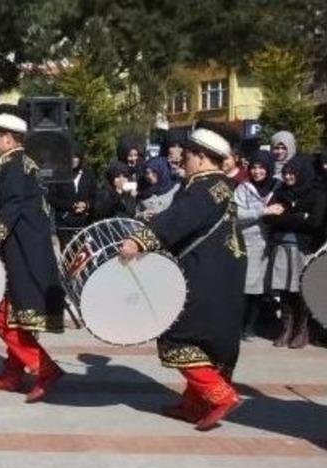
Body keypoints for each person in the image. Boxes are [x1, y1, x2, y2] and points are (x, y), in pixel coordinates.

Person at [119, 125, 246, 431]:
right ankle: (193, 405)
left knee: (178, 337)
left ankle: (220, 396)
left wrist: (140, 240)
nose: (181, 160)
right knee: (209, 342)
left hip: (203, 274)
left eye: (187, 155)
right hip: (224, 274)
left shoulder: (201, 187)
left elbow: (180, 219)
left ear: (202, 158)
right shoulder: (223, 185)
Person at [0, 105, 65, 403]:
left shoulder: (13, 165)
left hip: (23, 255)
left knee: (0, 314)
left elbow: (11, 206)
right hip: (28, 251)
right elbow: (18, 207)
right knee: (12, 317)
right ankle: (12, 374)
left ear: (9, 139)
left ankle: (44, 369)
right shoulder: (24, 163)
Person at [262, 155, 327, 349]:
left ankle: (302, 329)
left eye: (293, 173)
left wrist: (285, 216)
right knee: (284, 289)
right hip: (281, 246)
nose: (289, 177)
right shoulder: (281, 192)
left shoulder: (317, 193)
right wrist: (299, 217)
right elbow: (268, 218)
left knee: (301, 288)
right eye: (286, 173)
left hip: (304, 248)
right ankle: (286, 327)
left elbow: (314, 223)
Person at [234, 151, 274, 339]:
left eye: (262, 167)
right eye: (254, 168)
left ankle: (252, 325)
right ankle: (242, 326)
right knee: (247, 287)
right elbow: (237, 215)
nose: (257, 171)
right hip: (249, 243)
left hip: (271, 244)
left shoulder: (277, 187)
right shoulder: (243, 188)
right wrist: (262, 211)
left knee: (262, 288)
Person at [51, 146, 93, 249]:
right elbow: (52, 198)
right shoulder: (58, 175)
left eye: (75, 157)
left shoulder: (88, 175)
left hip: (83, 222)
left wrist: (86, 205)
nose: (73, 160)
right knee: (67, 254)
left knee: (82, 254)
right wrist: (71, 205)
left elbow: (94, 195)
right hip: (64, 222)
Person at [135, 156, 180, 220]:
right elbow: (135, 213)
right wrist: (141, 215)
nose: (150, 176)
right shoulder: (143, 189)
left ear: (162, 170)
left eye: (154, 172)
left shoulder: (176, 189)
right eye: (147, 173)